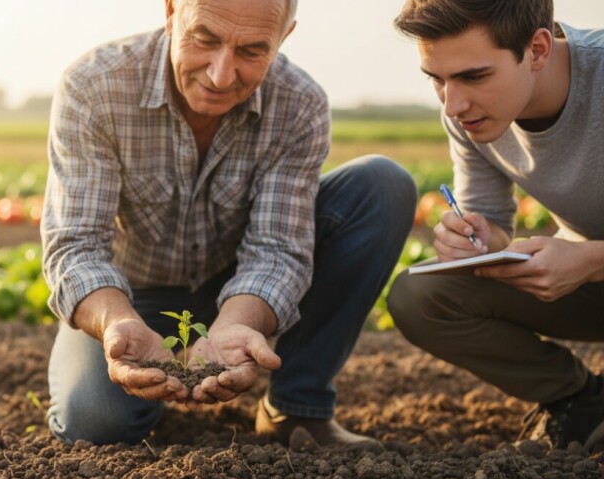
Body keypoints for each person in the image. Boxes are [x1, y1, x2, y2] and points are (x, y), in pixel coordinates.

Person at [41, 0, 416, 450]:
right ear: (170, 12)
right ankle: (145, 387)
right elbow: (76, 245)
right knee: (96, 421)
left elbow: (278, 249)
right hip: (133, 296)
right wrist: (117, 321)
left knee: (381, 185)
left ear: (284, 37)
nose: (221, 75)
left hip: (241, 286)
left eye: (253, 50)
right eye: (205, 39)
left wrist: (238, 322)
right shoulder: (96, 85)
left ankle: (296, 408)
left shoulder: (299, 103)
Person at [388, 0, 604, 450]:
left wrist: (591, 259)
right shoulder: (470, 115)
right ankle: (579, 398)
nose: (452, 104)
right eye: (436, 79)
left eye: (474, 76)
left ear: (538, 49)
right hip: (586, 281)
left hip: (591, 266)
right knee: (420, 295)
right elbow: (491, 219)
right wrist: (482, 239)